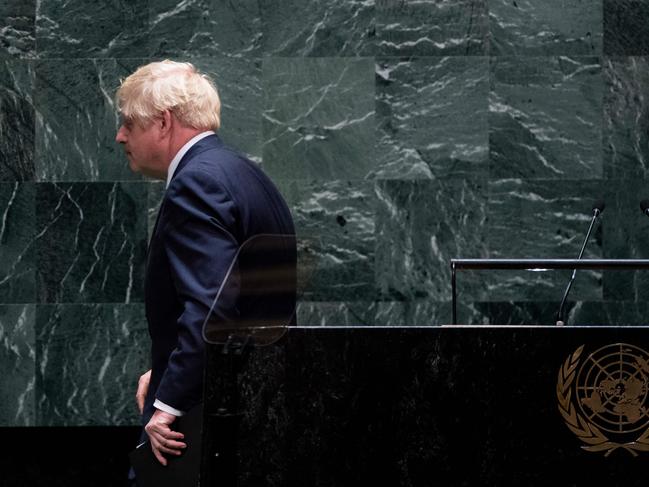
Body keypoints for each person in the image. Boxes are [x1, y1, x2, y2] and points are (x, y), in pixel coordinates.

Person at [114, 60, 295, 469]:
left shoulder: (196, 183)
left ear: (163, 122)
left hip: (201, 424)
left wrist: (168, 404)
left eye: (128, 122)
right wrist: (166, 367)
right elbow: (244, 300)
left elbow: (212, 306)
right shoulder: (245, 173)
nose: (120, 135)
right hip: (258, 409)